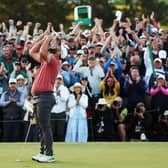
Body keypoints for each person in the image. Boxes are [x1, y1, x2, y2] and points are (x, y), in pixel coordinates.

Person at [29, 31, 60, 163]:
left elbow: (42, 51)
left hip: (45, 97)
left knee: (45, 126)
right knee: (41, 126)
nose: (53, 47)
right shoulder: (45, 61)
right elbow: (32, 51)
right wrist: (44, 37)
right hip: (39, 97)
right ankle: (43, 152)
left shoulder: (54, 60)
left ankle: (49, 154)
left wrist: (48, 38)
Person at [50, 74, 70, 141]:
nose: (58, 81)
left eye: (59, 79)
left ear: (62, 81)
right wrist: (56, 96)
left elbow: (65, 99)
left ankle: (60, 146)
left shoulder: (65, 89)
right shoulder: (51, 88)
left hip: (61, 113)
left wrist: (59, 95)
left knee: (60, 132)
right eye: (57, 79)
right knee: (51, 131)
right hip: (52, 112)